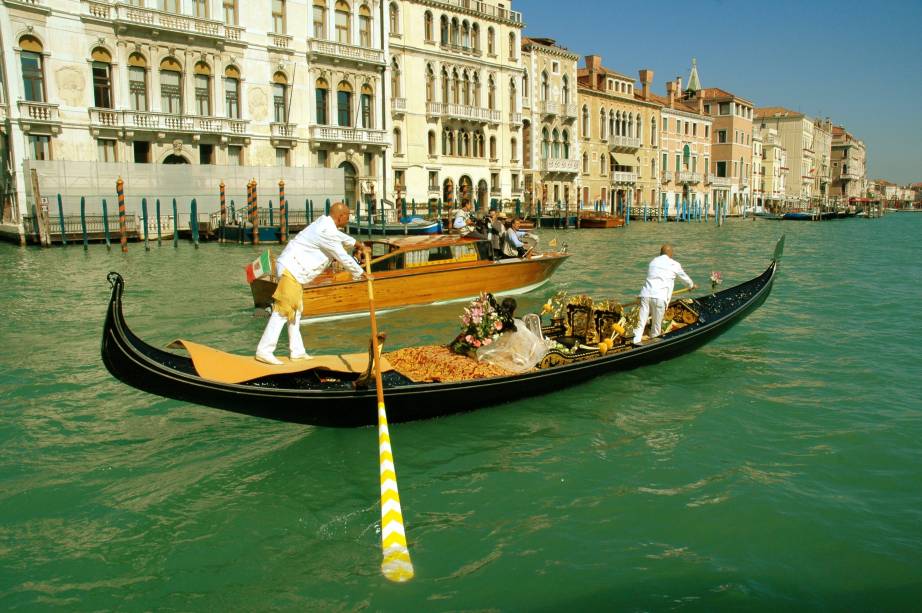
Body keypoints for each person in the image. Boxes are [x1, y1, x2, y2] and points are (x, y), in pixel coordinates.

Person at [255, 202, 364, 365]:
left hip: (292, 270)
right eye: (348, 216)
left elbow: (339, 237)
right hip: (291, 269)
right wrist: (361, 274)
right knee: (283, 310)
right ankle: (264, 350)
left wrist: (356, 243)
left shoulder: (325, 224)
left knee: (296, 311)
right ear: (341, 216)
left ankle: (297, 352)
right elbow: (342, 256)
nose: (349, 219)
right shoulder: (326, 230)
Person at [632, 244, 697, 346]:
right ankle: (652, 347)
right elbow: (684, 278)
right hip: (659, 297)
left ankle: (634, 343)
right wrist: (691, 285)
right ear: (671, 254)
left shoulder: (653, 262)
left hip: (645, 295)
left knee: (640, 324)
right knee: (656, 328)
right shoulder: (674, 264)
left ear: (660, 253)